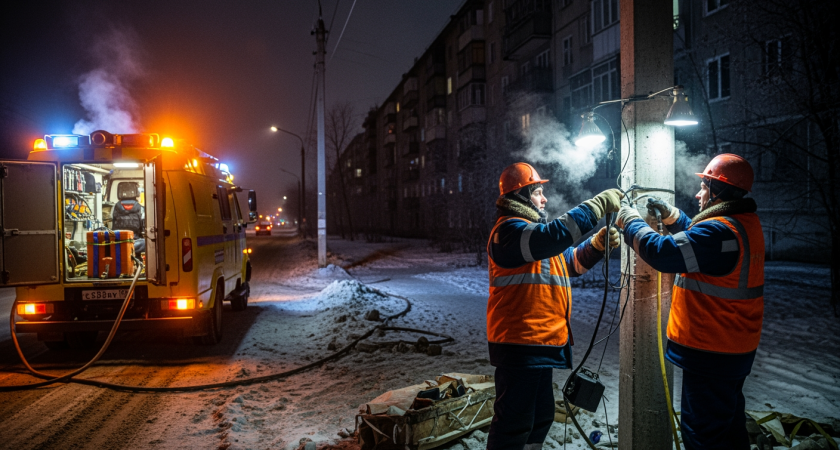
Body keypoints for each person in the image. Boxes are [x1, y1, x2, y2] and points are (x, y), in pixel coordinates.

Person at [615, 154, 764, 450]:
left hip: (712, 351)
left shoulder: (719, 232)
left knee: (703, 435)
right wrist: (674, 218)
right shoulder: (741, 225)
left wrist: (629, 221)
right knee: (729, 430)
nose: (698, 194)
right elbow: (699, 247)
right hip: (732, 348)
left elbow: (664, 253)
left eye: (704, 188)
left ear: (718, 191)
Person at [486, 162, 623, 450]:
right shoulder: (508, 232)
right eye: (537, 192)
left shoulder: (533, 237)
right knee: (514, 423)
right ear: (520, 197)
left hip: (540, 342)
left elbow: (568, 262)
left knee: (540, 417)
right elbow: (552, 239)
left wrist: (596, 246)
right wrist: (595, 206)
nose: (544, 198)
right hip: (520, 343)